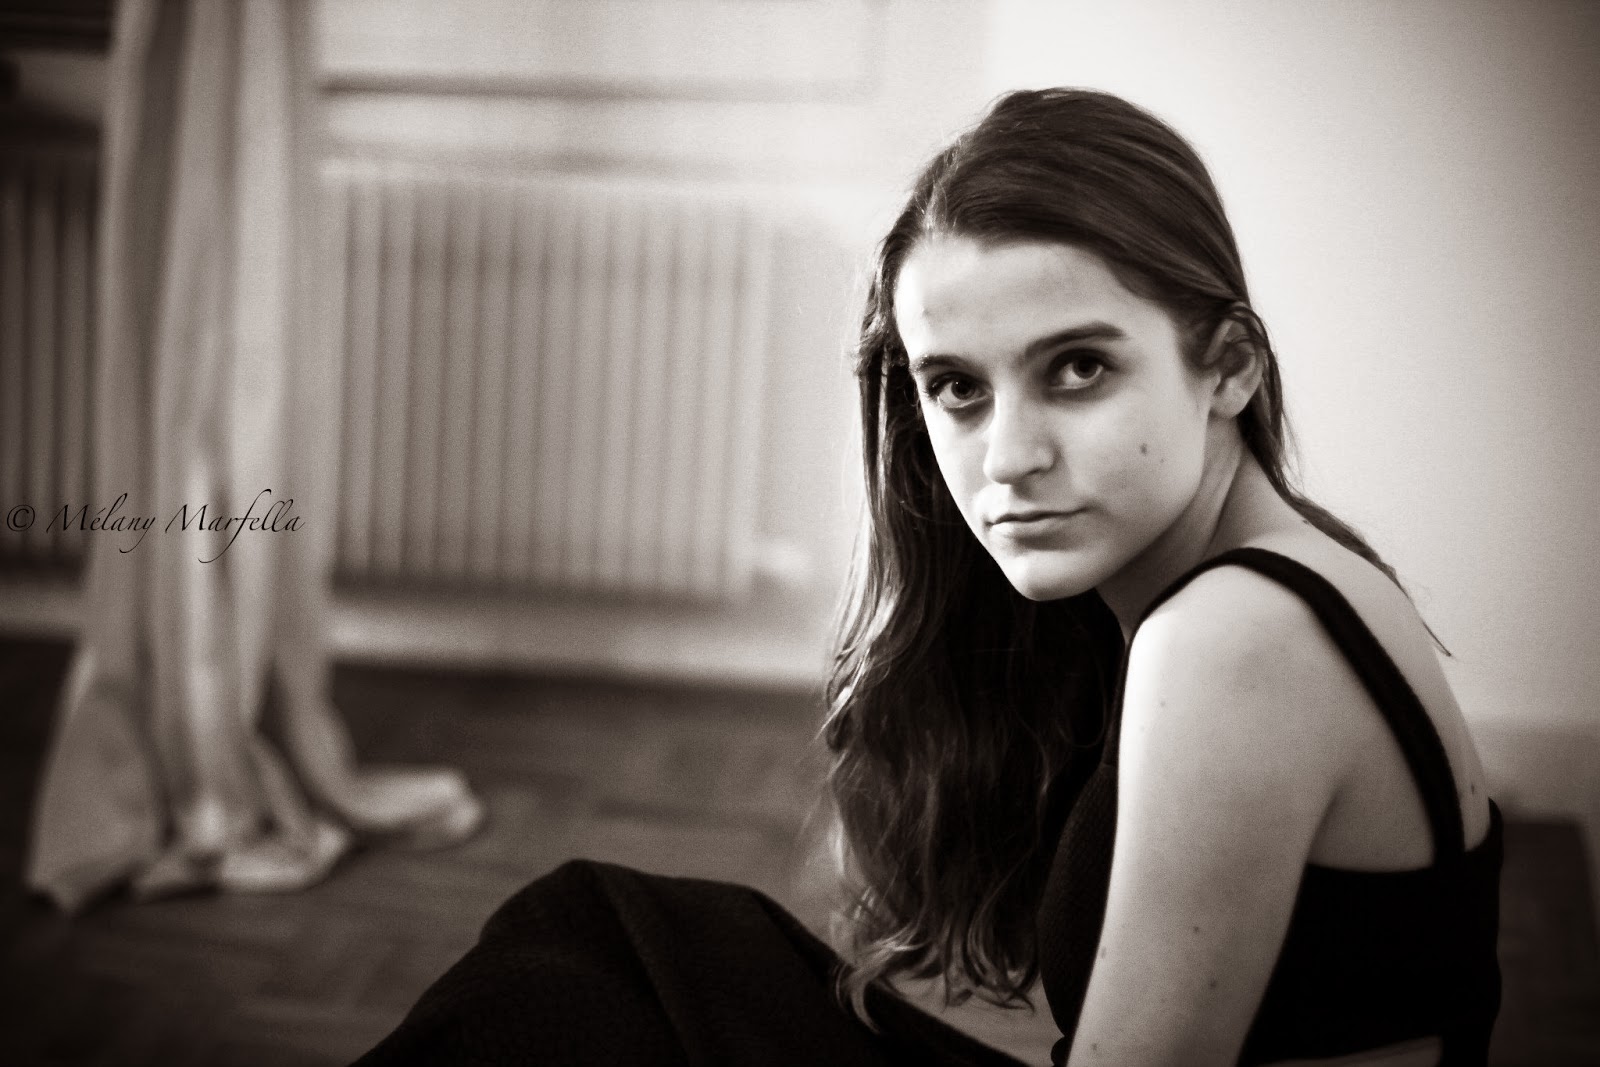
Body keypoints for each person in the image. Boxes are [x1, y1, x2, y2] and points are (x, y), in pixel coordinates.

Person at [352, 88, 1501, 1067]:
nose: (1007, 456)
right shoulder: (1287, 574)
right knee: (596, 941)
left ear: (1229, 366)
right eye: (958, 387)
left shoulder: (1235, 636)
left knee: (570, 984)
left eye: (1078, 367)